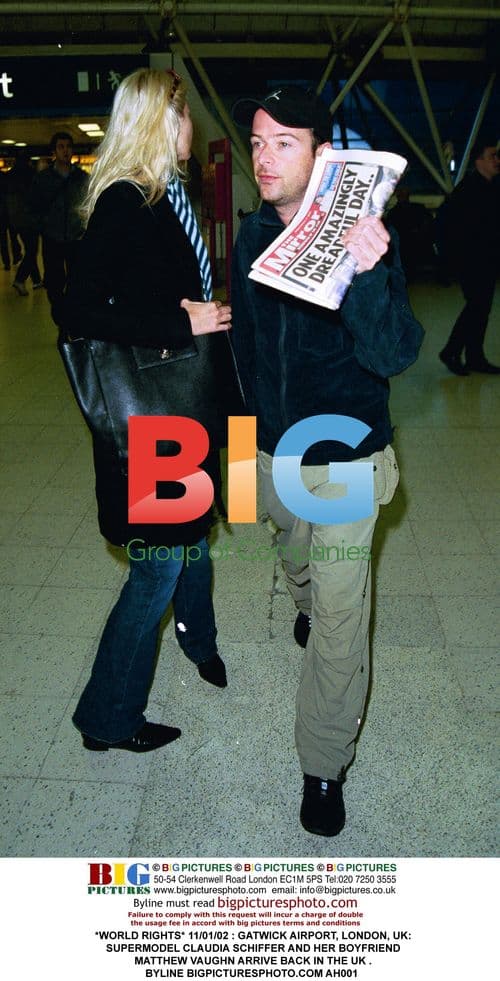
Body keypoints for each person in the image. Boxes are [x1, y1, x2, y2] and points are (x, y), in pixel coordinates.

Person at [231, 86, 424, 836]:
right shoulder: (252, 235)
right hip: (273, 450)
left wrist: (370, 273)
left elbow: (395, 352)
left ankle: (323, 764)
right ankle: (304, 605)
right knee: (295, 561)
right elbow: (245, 349)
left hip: (346, 457)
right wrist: (240, 454)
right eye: (257, 142)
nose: (264, 157)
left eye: (284, 142)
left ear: (322, 157)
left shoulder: (366, 236)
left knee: (342, 618)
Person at [56, 68, 238, 754]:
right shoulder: (125, 201)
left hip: (182, 401)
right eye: (186, 114)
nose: (194, 127)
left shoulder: (168, 194)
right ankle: (107, 716)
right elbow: (78, 310)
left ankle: (199, 640)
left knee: (194, 536)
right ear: (165, 120)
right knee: (159, 565)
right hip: (153, 413)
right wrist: (178, 321)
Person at [438, 137, 500, 375]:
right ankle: (451, 351)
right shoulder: (468, 190)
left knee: (481, 308)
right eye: (492, 156)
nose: (497, 160)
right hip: (472, 260)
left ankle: (475, 357)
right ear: (478, 161)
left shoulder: (491, 187)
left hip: (486, 258)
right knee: (476, 307)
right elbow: (450, 226)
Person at [29, 131, 87, 315]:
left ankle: (72, 316)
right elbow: (34, 206)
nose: (65, 151)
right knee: (54, 282)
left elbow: (89, 204)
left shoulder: (82, 178)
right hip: (52, 237)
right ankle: (61, 316)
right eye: (61, 147)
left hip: (75, 237)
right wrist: (43, 225)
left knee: (77, 280)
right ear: (54, 151)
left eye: (68, 147)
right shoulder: (43, 179)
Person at [5, 150, 43, 296]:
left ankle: (37, 280)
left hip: (15, 219)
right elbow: (36, 198)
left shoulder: (10, 175)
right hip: (30, 220)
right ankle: (20, 279)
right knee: (32, 251)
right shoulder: (31, 175)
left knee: (29, 249)